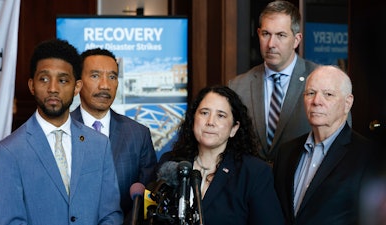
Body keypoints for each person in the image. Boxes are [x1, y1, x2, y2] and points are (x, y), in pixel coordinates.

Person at [0, 39, 123, 225]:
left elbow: (111, 214)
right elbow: (8, 221)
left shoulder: (99, 144)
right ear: (31, 85)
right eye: (44, 79)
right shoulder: (9, 151)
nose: (53, 88)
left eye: (62, 80)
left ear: (77, 87)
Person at [158, 85, 284, 225]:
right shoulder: (170, 162)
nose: (210, 122)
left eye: (221, 115)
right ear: (193, 119)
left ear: (234, 128)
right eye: (204, 113)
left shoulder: (254, 172)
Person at [273, 65, 378, 225]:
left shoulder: (369, 156)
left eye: (328, 94)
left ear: (347, 103)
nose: (316, 101)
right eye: (310, 93)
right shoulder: (286, 152)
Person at [71, 48, 157, 220]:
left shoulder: (138, 135)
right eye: (95, 76)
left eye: (112, 77)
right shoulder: (61, 130)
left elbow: (147, 198)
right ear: (78, 83)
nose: (105, 85)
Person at [229, 0, 317, 163]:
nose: (271, 44)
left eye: (281, 35)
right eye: (266, 34)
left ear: (296, 40)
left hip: (300, 183)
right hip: (252, 185)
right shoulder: (237, 86)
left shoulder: (319, 80)